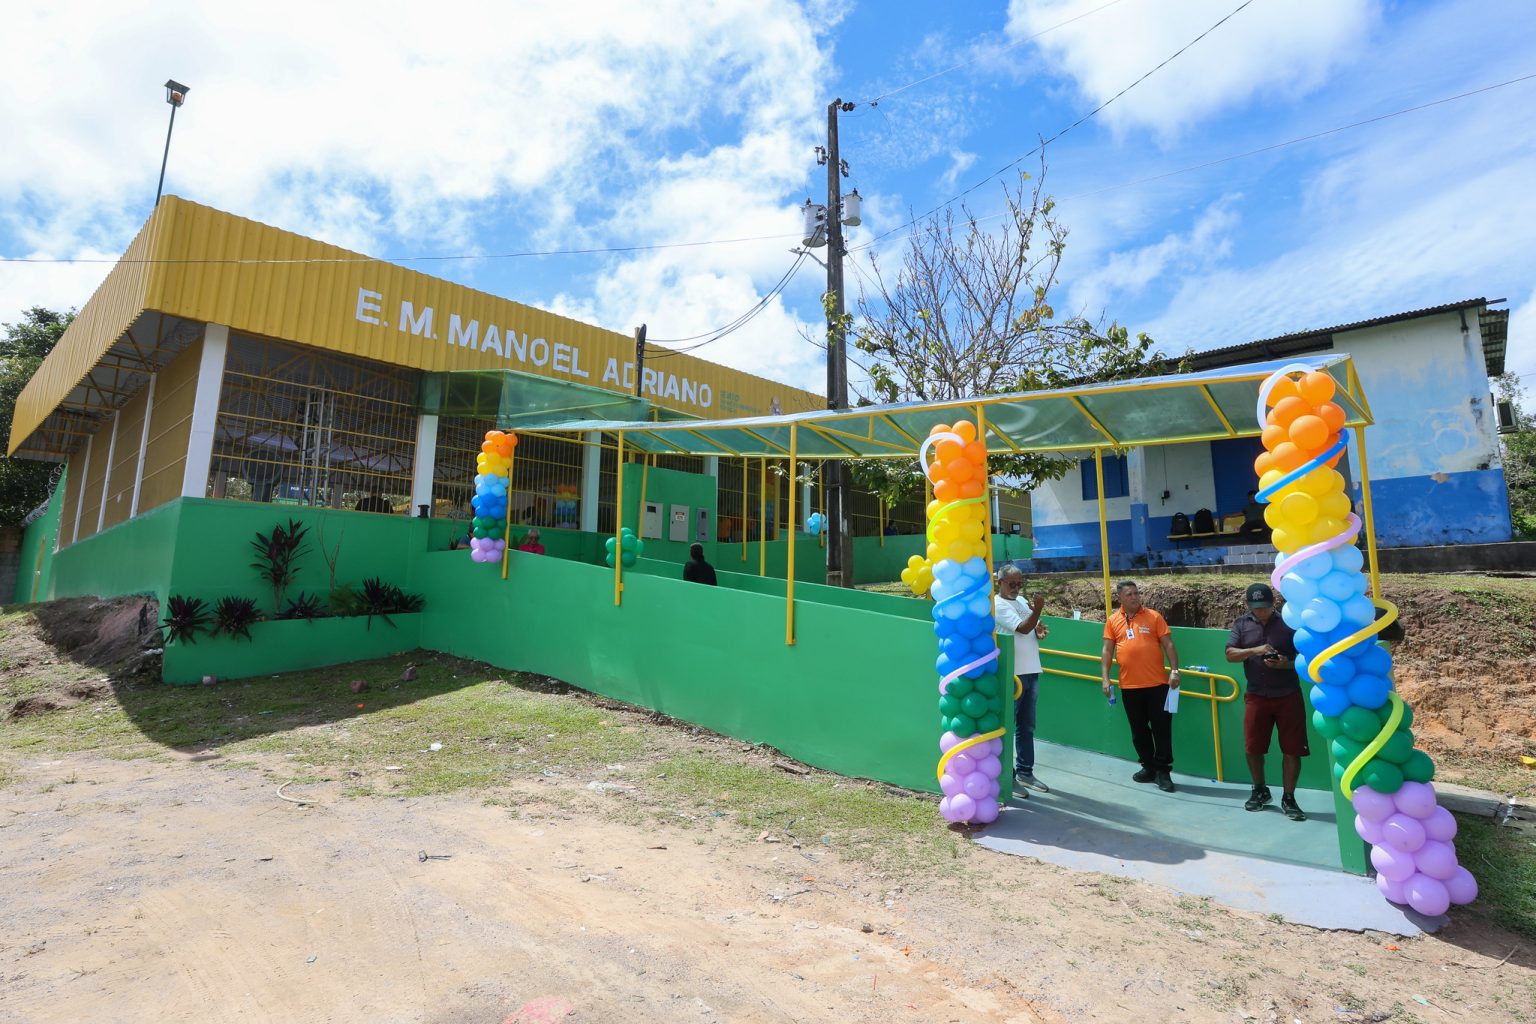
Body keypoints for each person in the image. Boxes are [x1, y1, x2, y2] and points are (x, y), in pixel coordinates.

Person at [1225, 583, 1308, 821]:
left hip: (1288, 695)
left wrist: (1286, 663)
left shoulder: (1289, 624)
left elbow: (1305, 658)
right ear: (1248, 606)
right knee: (1252, 747)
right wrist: (1255, 650)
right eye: (1256, 607)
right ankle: (1259, 790)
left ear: (1273, 604)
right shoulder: (1241, 624)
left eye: (1264, 607)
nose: (1260, 612)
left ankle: (1289, 797)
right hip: (1256, 695)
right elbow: (1230, 654)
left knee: (1293, 749)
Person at [1100, 581, 1181, 792]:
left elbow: (1169, 644)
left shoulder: (1153, 616)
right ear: (1121, 598)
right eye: (1129, 594)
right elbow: (1107, 651)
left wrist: (1174, 670)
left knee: (1162, 729)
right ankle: (1149, 768)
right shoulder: (1113, 621)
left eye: (1136, 593)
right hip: (1130, 686)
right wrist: (1106, 678)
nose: (1135, 597)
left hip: (1157, 685)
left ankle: (1163, 771)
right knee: (1138, 731)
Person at [994, 565, 1049, 793]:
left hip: (1031, 671)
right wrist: (1037, 610)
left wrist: (1040, 630)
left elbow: (1033, 628)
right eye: (1012, 584)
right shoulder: (997, 605)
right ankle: (1009, 777)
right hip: (1013, 675)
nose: (1016, 588)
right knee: (1010, 724)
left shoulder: (1022, 600)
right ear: (1000, 583)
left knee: (1027, 726)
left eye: (1019, 583)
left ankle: (1026, 772)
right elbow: (1023, 628)